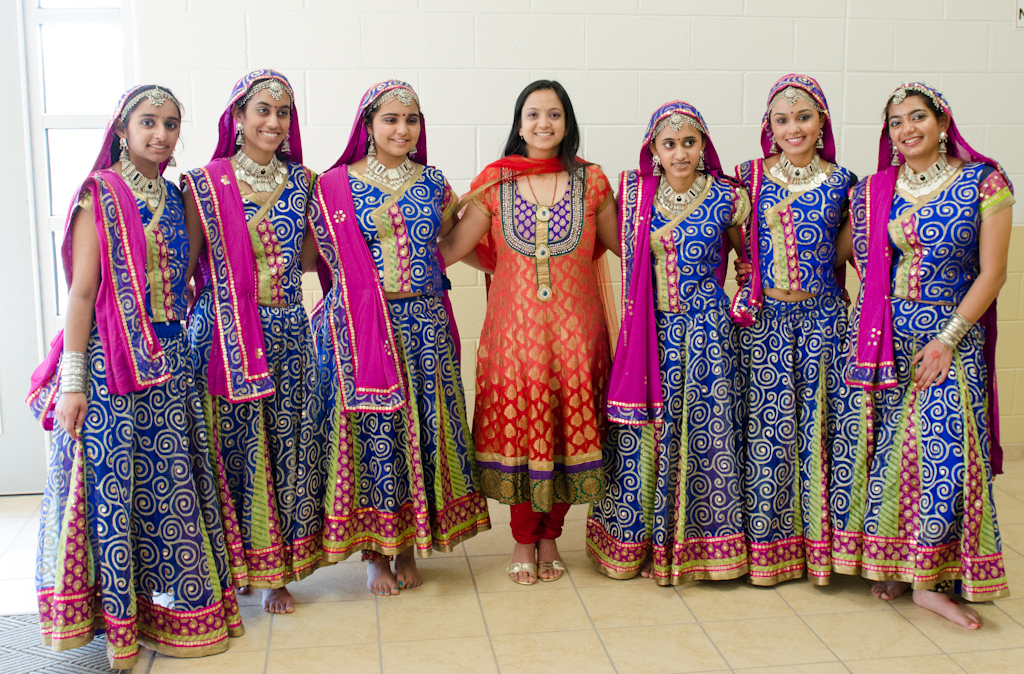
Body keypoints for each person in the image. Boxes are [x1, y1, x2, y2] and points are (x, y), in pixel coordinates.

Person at [26, 85, 243, 668]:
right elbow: (82, 293)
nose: (161, 134)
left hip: (171, 363)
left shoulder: (179, 198)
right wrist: (74, 383)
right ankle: (114, 624)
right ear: (122, 129)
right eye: (148, 122)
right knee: (112, 489)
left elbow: (190, 277)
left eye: (171, 124)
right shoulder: (100, 194)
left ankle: (168, 614)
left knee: (168, 489)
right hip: (110, 368)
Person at [833, 82, 1013, 628]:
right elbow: (847, 256)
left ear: (942, 122)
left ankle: (931, 580)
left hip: (949, 339)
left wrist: (947, 339)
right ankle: (896, 564)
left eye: (917, 117)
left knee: (947, 457)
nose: (906, 129)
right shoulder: (874, 190)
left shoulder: (984, 182)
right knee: (887, 454)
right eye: (896, 122)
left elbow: (994, 273)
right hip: (883, 338)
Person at [308, 80, 490, 596]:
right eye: (390, 119)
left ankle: (407, 544)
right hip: (359, 327)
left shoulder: (433, 183)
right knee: (373, 434)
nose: (402, 129)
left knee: (421, 429)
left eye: (411, 120)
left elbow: (448, 243)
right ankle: (375, 552)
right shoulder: (333, 185)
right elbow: (315, 254)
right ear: (368, 125)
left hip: (424, 327)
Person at [440, 80, 619, 585]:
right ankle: (523, 538)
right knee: (522, 433)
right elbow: (453, 248)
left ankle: (550, 536)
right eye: (534, 114)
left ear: (568, 123)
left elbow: (623, 243)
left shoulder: (593, 180)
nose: (544, 124)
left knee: (567, 432)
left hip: (577, 337)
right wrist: (386, 246)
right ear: (519, 124)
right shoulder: (495, 181)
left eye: (555, 114)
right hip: (514, 339)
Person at [587, 101, 749, 584]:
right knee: (645, 434)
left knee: (703, 434)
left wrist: (745, 301)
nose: (680, 153)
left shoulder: (728, 197)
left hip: (707, 338)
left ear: (703, 146)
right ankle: (635, 543)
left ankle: (701, 548)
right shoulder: (635, 195)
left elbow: (752, 263)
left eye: (689, 142)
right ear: (653, 150)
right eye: (670, 144)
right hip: (650, 333)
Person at [181, 70, 321, 615]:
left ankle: (274, 571)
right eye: (263, 110)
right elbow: (185, 267)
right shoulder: (203, 183)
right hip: (222, 334)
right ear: (237, 117)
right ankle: (235, 564)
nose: (274, 122)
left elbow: (307, 260)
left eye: (283, 112)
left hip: (286, 332)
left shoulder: (305, 182)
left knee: (285, 448)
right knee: (229, 451)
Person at [731, 74, 857, 587]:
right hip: (765, 325)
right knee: (767, 436)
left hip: (824, 321)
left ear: (821, 122)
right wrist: (746, 273)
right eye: (782, 120)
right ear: (770, 126)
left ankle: (821, 552)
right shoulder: (748, 177)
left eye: (803, 117)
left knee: (820, 434)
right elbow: (728, 238)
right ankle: (767, 551)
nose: (793, 128)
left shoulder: (844, 182)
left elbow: (849, 251)